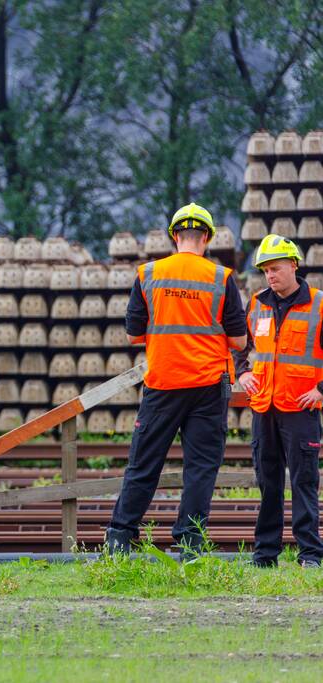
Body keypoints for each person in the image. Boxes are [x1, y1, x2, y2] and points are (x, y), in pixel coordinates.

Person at [105, 204, 247, 557]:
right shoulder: (221, 277)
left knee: (143, 463)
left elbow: (133, 336)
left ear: (174, 236)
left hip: (163, 384)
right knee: (200, 469)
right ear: (208, 238)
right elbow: (240, 341)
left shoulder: (149, 273)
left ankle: (120, 536)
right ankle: (189, 541)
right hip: (208, 387)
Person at [235, 235, 323, 568]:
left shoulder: (319, 304)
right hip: (264, 408)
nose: (270, 275)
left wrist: (322, 390)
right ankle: (265, 555)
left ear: (294, 266)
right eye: (265, 270)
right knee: (268, 485)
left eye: (275, 268)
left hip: (301, 408)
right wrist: (242, 372)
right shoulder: (257, 303)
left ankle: (310, 555)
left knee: (304, 483)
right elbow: (237, 344)